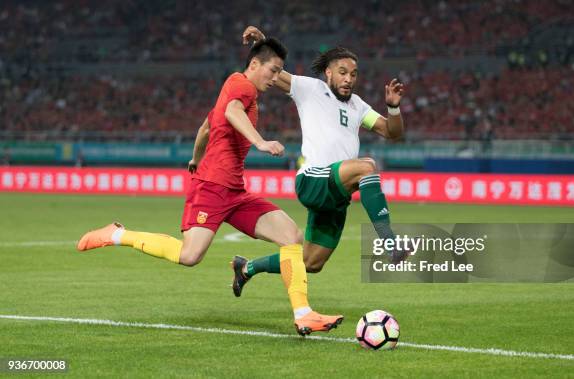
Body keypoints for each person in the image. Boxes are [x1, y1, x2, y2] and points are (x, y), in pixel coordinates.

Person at [77, 37, 343, 336]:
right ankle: (117, 234)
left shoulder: (244, 95)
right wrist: (260, 142)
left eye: (279, 71)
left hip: (235, 192)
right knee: (189, 257)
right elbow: (230, 113)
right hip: (212, 189)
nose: (275, 77)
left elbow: (206, 127)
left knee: (291, 236)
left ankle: (303, 314)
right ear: (254, 65)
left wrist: (195, 158)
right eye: (272, 70)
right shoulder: (240, 85)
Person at [232, 26, 407, 297]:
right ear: (328, 73)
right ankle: (389, 242)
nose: (349, 79)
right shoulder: (311, 89)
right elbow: (276, 74)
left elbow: (392, 133)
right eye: (342, 72)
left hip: (336, 194)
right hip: (314, 180)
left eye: (353, 74)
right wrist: (264, 45)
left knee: (310, 262)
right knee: (368, 166)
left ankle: (246, 268)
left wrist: (393, 107)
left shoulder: (358, 106)